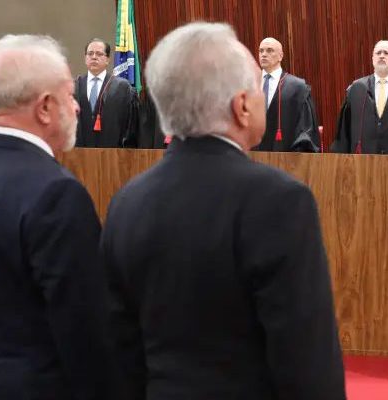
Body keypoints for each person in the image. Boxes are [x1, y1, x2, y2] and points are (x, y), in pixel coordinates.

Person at [101, 22, 346, 400]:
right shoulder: (280, 202)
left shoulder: (126, 203)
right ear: (242, 106)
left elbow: (117, 354)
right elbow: (307, 366)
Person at [0, 34, 114, 400]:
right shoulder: (57, 194)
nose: (77, 108)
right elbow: (86, 331)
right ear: (46, 107)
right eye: (70, 96)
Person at [254, 37, 320, 152]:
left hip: (285, 154)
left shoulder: (297, 87)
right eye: (261, 51)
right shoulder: (249, 84)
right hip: (252, 155)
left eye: (269, 50)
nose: (263, 54)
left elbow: (305, 131)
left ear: (280, 56)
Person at [74, 38, 139, 148]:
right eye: (90, 53)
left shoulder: (122, 88)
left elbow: (130, 127)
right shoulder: (74, 86)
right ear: (85, 58)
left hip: (112, 154)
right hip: (78, 153)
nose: (94, 57)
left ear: (108, 59)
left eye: (99, 54)